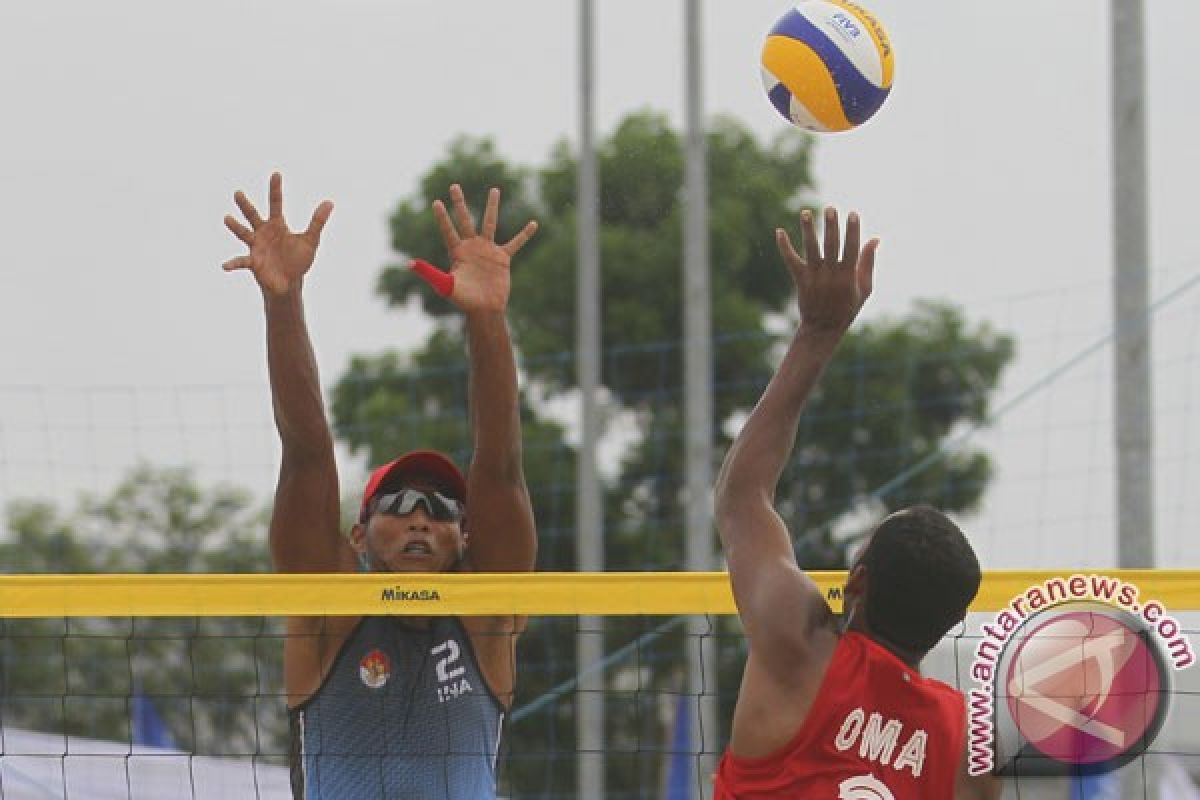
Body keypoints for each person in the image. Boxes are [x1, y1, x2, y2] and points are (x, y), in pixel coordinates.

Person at [221, 173, 539, 799]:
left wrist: (486, 321)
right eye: (398, 503)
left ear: (463, 535)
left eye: (442, 507)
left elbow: (500, 466)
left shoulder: (487, 614)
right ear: (359, 535)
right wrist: (283, 301)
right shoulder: (330, 611)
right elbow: (308, 453)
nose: (422, 517)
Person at [712, 207, 999, 799]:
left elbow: (743, 496)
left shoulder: (797, 643)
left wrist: (820, 330)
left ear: (858, 581)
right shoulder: (969, 751)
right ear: (951, 624)